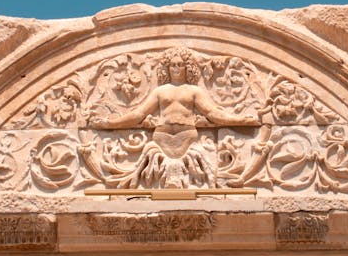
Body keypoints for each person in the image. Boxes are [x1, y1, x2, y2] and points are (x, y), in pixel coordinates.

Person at [90, 48, 257, 188]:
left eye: (180, 65)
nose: (176, 68)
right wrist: (110, 122)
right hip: (162, 136)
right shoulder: (160, 91)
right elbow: (139, 114)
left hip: (187, 136)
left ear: (187, 67)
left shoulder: (194, 91)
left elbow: (212, 113)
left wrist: (240, 120)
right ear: (167, 68)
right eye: (172, 65)